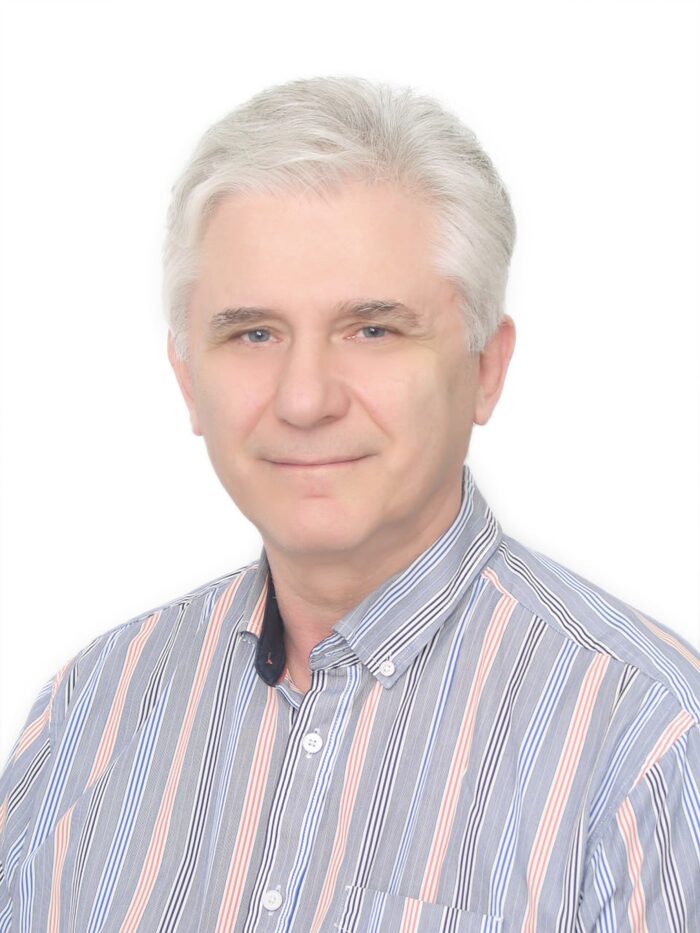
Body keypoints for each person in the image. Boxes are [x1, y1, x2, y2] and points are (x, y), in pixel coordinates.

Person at [0, 76, 697, 932]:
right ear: (187, 378)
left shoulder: (646, 740)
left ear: (486, 367)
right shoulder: (89, 710)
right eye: (253, 332)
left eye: (372, 329)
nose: (304, 398)